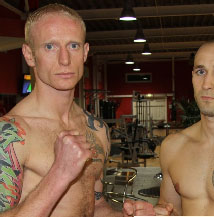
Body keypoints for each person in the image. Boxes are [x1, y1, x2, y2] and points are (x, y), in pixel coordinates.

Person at [0, 3, 155, 217]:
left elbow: (95, 206)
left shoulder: (97, 129)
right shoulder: (10, 134)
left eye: (73, 46)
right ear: (29, 54)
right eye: (50, 47)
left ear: (85, 52)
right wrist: (59, 174)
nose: (65, 60)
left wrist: (125, 216)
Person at [124, 38, 214, 216]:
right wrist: (154, 214)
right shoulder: (173, 147)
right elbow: (172, 210)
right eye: (201, 71)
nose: (206, 84)